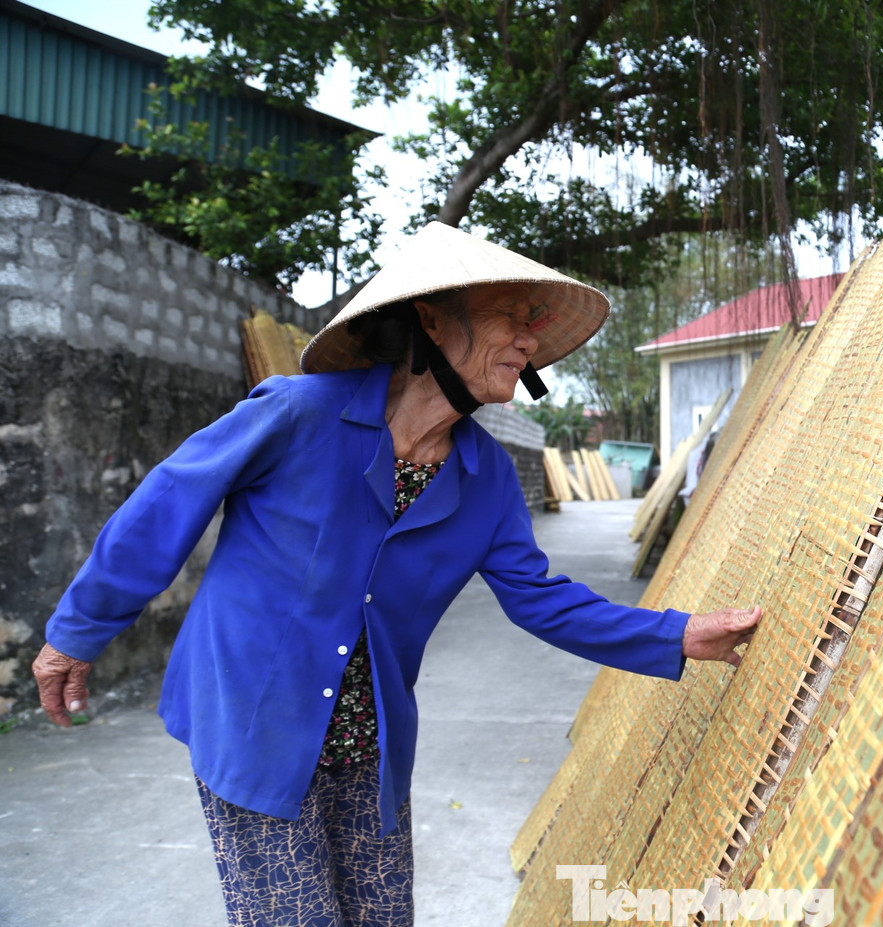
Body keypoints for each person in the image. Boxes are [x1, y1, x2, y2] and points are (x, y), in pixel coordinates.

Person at [30, 222, 761, 927]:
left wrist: (677, 634)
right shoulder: (296, 414)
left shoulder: (488, 479)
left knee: (382, 915)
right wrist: (77, 632)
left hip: (369, 741)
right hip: (254, 718)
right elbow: (166, 506)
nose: (530, 339)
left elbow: (539, 598)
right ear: (433, 322)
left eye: (533, 325)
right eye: (510, 317)